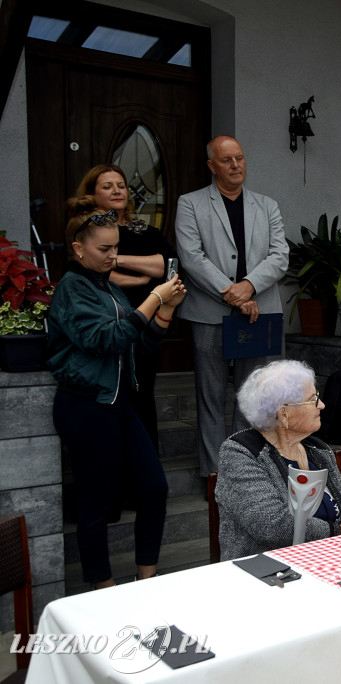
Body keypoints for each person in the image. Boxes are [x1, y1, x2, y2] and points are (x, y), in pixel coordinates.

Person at [48, 198, 187, 589]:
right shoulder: (72, 288)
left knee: (154, 488)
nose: (113, 256)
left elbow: (137, 346)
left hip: (118, 402)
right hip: (85, 404)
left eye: (116, 248)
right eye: (104, 249)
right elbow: (104, 340)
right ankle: (103, 590)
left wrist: (165, 311)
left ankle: (146, 580)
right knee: (97, 503)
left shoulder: (108, 288)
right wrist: (154, 298)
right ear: (78, 249)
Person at [175, 136, 289, 478]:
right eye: (226, 160)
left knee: (251, 399)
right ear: (212, 166)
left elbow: (280, 256)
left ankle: (244, 474)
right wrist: (234, 295)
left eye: (239, 158)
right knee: (210, 397)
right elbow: (191, 258)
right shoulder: (190, 203)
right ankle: (215, 478)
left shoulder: (267, 206)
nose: (235, 165)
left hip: (258, 314)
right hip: (209, 314)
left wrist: (248, 287)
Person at [215, 360, 341, 560]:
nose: (322, 405)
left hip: (328, 560)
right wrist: (337, 532)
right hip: (268, 569)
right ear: (284, 414)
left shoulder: (318, 450)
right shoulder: (241, 452)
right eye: (313, 399)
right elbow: (273, 525)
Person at [75, 164, 178, 449]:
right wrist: (140, 278)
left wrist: (117, 261)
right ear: (92, 193)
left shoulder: (142, 230)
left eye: (121, 185)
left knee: (143, 393)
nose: (117, 191)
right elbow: (94, 273)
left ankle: (145, 463)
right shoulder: (86, 230)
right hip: (107, 325)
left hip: (147, 326)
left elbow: (165, 265)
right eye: (107, 186)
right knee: (111, 398)